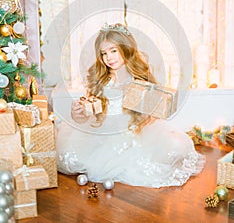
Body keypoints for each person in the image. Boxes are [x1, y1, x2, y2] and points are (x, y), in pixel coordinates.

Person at [56, 23, 205, 188]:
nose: (109, 58)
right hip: (104, 132)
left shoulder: (138, 79)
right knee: (84, 158)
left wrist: (149, 114)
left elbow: (153, 111)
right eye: (104, 53)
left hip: (134, 131)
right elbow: (91, 113)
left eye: (114, 51)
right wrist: (79, 113)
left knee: (174, 148)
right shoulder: (101, 79)